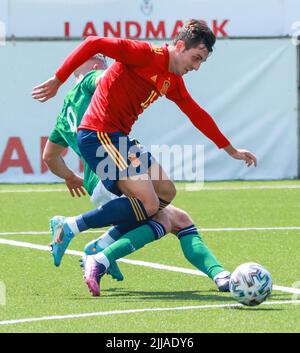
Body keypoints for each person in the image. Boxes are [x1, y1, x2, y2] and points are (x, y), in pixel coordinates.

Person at [32, 19, 256, 295]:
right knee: (150, 204)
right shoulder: (145, 54)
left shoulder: (172, 80)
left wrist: (230, 149)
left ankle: (101, 247)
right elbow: (94, 43)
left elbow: (196, 113)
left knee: (166, 192)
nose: (196, 67)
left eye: (202, 63)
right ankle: (71, 227)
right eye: (196, 58)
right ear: (180, 46)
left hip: (120, 139)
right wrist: (58, 79)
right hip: (99, 134)